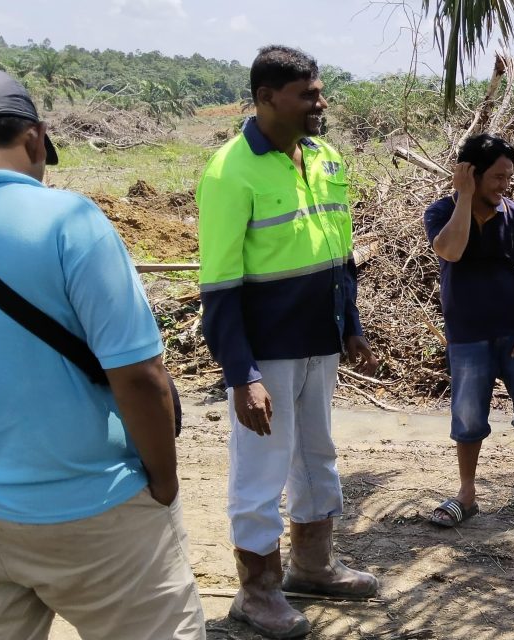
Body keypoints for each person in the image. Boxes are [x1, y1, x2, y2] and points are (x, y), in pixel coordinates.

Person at [0, 68, 204, 639]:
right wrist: (165, 484)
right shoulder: (72, 221)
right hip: (90, 507)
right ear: (36, 140)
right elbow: (140, 377)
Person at [197, 45, 380, 639]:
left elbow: (339, 256)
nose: (319, 104)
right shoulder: (230, 170)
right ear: (267, 98)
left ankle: (313, 564)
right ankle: (256, 593)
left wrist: (349, 325)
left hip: (319, 343)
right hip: (266, 350)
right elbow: (220, 285)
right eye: (307, 94)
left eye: (319, 92)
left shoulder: (325, 158)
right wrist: (240, 373)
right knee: (261, 469)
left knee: (317, 456)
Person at [423, 133, 514, 527]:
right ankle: (467, 494)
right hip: (468, 336)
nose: (504, 185)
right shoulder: (440, 213)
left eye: (508, 177)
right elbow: (451, 251)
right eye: (496, 177)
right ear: (470, 174)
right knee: (469, 416)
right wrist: (464, 198)